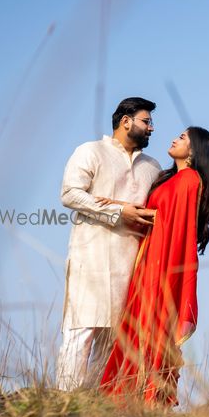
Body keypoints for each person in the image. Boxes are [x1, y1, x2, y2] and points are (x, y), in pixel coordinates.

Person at [98, 126, 209, 407]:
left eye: (184, 137)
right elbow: (159, 215)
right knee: (136, 323)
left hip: (163, 261)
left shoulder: (190, 180)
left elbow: (177, 228)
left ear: (194, 150)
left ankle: (148, 396)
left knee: (154, 323)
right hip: (148, 258)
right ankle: (128, 395)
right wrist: (116, 205)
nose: (176, 139)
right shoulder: (171, 179)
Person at [57, 97, 161, 390]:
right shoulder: (91, 151)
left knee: (116, 337)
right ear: (126, 121)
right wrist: (118, 211)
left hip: (131, 263)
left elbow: (159, 208)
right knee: (83, 329)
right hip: (91, 257)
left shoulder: (151, 167)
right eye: (146, 121)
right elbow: (70, 194)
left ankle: (98, 408)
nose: (152, 128)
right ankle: (66, 405)